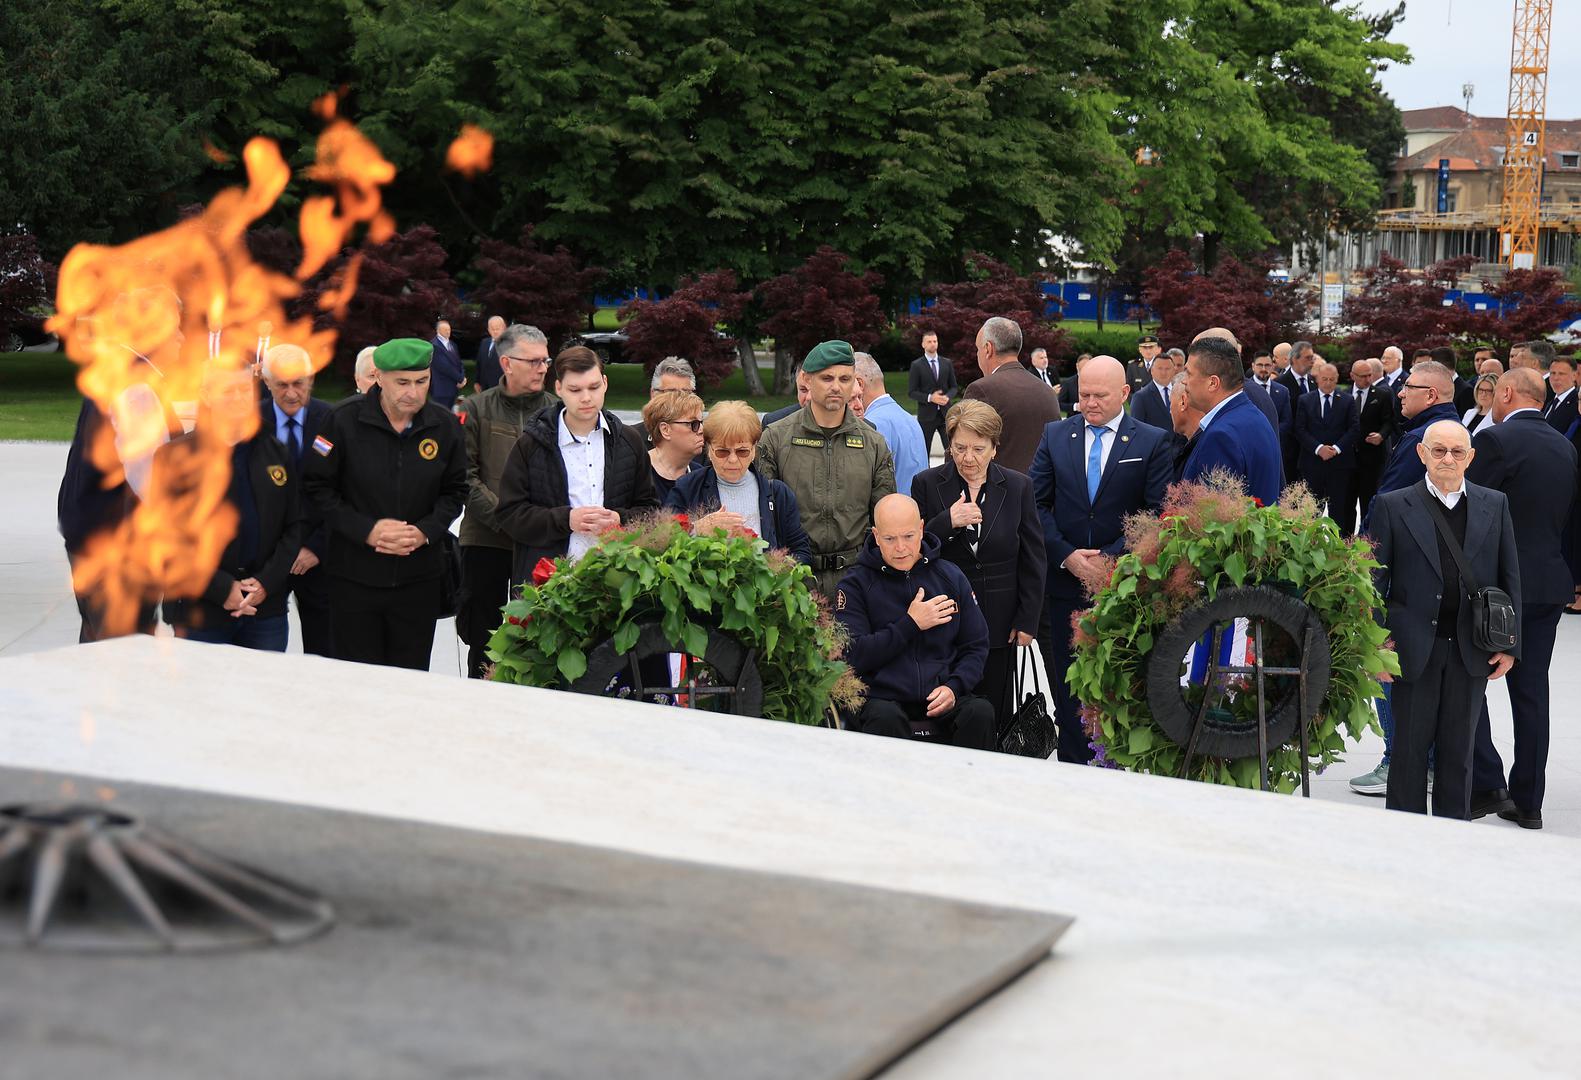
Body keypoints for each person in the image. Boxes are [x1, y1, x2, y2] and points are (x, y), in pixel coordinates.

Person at [1368, 420, 1519, 819]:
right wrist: (1375, 647)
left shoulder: (1495, 503)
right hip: (1412, 648)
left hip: (1471, 649)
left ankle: (1453, 839)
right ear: (1422, 454)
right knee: (1408, 753)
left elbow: (1509, 577)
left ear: (1470, 458)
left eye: (1456, 452)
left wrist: (1509, 645)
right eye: (1438, 451)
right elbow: (1372, 583)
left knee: (1459, 754)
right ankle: (1405, 835)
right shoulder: (1393, 505)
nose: (1447, 459)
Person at [1029, 356, 1174, 762]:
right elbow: (1036, 504)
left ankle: (1118, 763)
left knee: (1120, 683)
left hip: (1123, 587)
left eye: (1099, 395)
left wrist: (1110, 559)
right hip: (1063, 586)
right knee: (1068, 685)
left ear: (1125, 393)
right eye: (1083, 394)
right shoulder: (1055, 435)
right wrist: (1068, 556)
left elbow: (1156, 513)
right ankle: (1074, 765)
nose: (1089, 403)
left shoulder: (1151, 440)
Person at [302, 338, 467, 670]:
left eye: (422, 381)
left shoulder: (444, 426)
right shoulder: (342, 421)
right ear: (378, 377)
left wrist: (425, 532)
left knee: (410, 678)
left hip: (418, 580)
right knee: (356, 676)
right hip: (354, 579)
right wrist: (366, 530)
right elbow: (317, 487)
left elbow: (456, 491)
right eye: (402, 382)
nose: (413, 392)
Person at [1464, 368, 1577, 829]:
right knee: (1531, 693)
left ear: (1507, 392)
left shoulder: (1497, 442)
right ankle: (1529, 801)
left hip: (1498, 589)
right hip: (1550, 583)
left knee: (1469, 682)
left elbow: (1473, 512)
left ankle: (1488, 783)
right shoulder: (1564, 445)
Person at [1347, 359, 1464, 796]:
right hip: (1433, 570)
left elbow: (1386, 501)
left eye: (1408, 387)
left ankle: (1399, 759)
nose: (1399, 393)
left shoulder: (1425, 438)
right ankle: (1422, 760)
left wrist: (1361, 556)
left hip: (1403, 569)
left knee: (1386, 660)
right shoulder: (1449, 433)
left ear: (1430, 395)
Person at [912, 400, 1046, 730]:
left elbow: (1033, 557)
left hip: (1000, 621)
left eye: (978, 449)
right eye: (959, 448)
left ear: (994, 449)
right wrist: (947, 522)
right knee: (944, 708)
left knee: (995, 710)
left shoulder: (1017, 486)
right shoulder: (927, 484)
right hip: (944, 617)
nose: (968, 458)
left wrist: (1027, 619)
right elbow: (912, 551)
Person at [158, 362, 302, 651]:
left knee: (262, 694)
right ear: (207, 395)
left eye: (245, 390)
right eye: (228, 391)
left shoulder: (276, 451)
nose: (239, 399)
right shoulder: (175, 456)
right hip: (200, 610)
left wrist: (265, 583)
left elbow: (295, 525)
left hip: (265, 609)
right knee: (204, 695)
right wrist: (223, 589)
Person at [834, 494, 996, 750]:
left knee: (979, 712)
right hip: (882, 699)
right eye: (889, 538)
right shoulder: (855, 585)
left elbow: (976, 645)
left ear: (921, 529)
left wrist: (954, 687)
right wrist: (910, 624)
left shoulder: (950, 576)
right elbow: (852, 655)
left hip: (941, 695)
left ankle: (968, 789)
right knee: (885, 719)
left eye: (908, 536)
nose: (900, 547)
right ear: (876, 535)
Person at [494, 346, 659, 583]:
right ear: (559, 388)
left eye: (593, 387)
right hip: (549, 584)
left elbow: (650, 510)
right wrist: (566, 520)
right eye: (575, 389)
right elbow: (510, 514)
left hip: (615, 581)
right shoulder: (531, 444)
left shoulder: (629, 441)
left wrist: (619, 520)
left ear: (605, 383)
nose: (586, 397)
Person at [455, 323, 557, 679]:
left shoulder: (557, 412)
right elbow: (464, 477)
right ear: (506, 363)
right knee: (481, 637)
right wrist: (508, 518)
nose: (543, 368)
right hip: (485, 541)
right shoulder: (475, 409)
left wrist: (533, 523)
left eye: (545, 359)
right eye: (533, 361)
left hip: (539, 544)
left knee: (537, 634)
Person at [757, 340, 896, 598]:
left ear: (855, 382)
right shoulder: (775, 439)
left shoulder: (873, 443)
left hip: (857, 580)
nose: (836, 386)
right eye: (827, 378)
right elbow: (764, 518)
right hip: (794, 579)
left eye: (845, 378)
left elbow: (884, 516)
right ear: (807, 381)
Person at [259, 343, 334, 656]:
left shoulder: (331, 420)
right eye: (281, 385)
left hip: (316, 555)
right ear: (267, 384)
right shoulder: (251, 421)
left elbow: (343, 490)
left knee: (325, 652)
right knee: (263, 650)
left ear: (311, 381)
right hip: (265, 556)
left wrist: (315, 547)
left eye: (298, 384)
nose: (291, 394)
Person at [664, 401, 810, 562]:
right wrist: (696, 529)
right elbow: (663, 544)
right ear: (709, 450)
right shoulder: (688, 487)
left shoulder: (778, 493)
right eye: (722, 451)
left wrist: (777, 570)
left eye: (742, 451)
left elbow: (801, 551)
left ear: (754, 449)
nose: (733, 460)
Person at [1179, 336, 1281, 507]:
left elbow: (1211, 521)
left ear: (1213, 383)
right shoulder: (1253, 416)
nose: (1183, 380)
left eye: (1188, 373)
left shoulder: (1221, 436)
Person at [963, 317, 1062, 473]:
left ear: (988, 349)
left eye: (978, 349)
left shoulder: (981, 390)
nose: (977, 355)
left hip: (995, 493)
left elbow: (963, 451)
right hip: (1039, 493)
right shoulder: (1047, 392)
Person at [1292, 361, 1360, 534]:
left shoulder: (1347, 400)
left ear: (1337, 379)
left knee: (1339, 511)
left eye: (1332, 379)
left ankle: (1337, 550)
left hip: (1339, 466)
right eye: (1324, 379)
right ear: (1317, 379)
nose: (1328, 383)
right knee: (1310, 511)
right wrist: (1319, 448)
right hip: (1311, 464)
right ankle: (1308, 547)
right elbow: (1299, 429)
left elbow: (1354, 429)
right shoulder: (1305, 400)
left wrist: (1336, 449)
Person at [854, 352, 927, 495]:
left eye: (845, 380)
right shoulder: (909, 419)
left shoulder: (872, 424)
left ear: (859, 384)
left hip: (890, 513)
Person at [1351, 359, 1396, 526]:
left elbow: (1390, 421)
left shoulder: (1382, 394)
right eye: (1363, 376)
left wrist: (1381, 435)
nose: (1368, 379)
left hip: (1372, 459)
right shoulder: (1344, 395)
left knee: (1368, 503)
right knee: (1346, 504)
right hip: (1347, 459)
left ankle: (1366, 540)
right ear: (1352, 376)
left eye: (1370, 375)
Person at [642, 388, 706, 503]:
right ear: (665, 430)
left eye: (701, 423)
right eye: (693, 424)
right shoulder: (638, 472)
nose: (701, 430)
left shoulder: (700, 475)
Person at [908, 331, 957, 456]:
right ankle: (926, 475)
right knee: (924, 451)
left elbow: (954, 387)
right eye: (929, 341)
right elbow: (912, 392)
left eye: (935, 341)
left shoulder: (947, 363)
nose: (933, 344)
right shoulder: (916, 365)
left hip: (945, 413)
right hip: (926, 416)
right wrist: (930, 398)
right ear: (923, 344)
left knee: (951, 449)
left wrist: (947, 397)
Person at [1248, 350, 1294, 463]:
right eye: (1260, 365)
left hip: (1275, 449)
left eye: (1267, 365)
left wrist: (1271, 436)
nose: (1263, 368)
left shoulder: (1283, 391)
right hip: (1249, 447)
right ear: (1253, 366)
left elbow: (1287, 421)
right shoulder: (1242, 390)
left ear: (1273, 366)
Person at [1128, 348, 1176, 432]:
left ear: (1174, 371)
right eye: (1160, 368)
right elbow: (1136, 429)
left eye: (1167, 369)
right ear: (1152, 371)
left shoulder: (1182, 393)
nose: (1163, 373)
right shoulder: (1140, 397)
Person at [428, 319, 467, 410]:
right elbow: (445, 367)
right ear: (438, 331)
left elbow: (459, 363)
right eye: (445, 329)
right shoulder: (434, 346)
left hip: (453, 388)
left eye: (449, 329)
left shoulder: (452, 345)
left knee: (451, 415)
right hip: (441, 389)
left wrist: (463, 376)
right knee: (441, 416)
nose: (448, 332)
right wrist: (460, 379)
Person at [1542, 354, 1577, 435]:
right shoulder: (1550, 402)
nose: (1556, 378)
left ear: (1574, 376)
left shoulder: (1577, 404)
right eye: (1553, 373)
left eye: (1561, 374)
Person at [475, 315, 506, 391]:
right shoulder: (484, 343)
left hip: (500, 386)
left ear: (504, 328)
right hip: (484, 386)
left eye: (497, 329)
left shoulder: (509, 344)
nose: (495, 331)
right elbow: (479, 363)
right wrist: (477, 382)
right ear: (488, 330)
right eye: (492, 329)